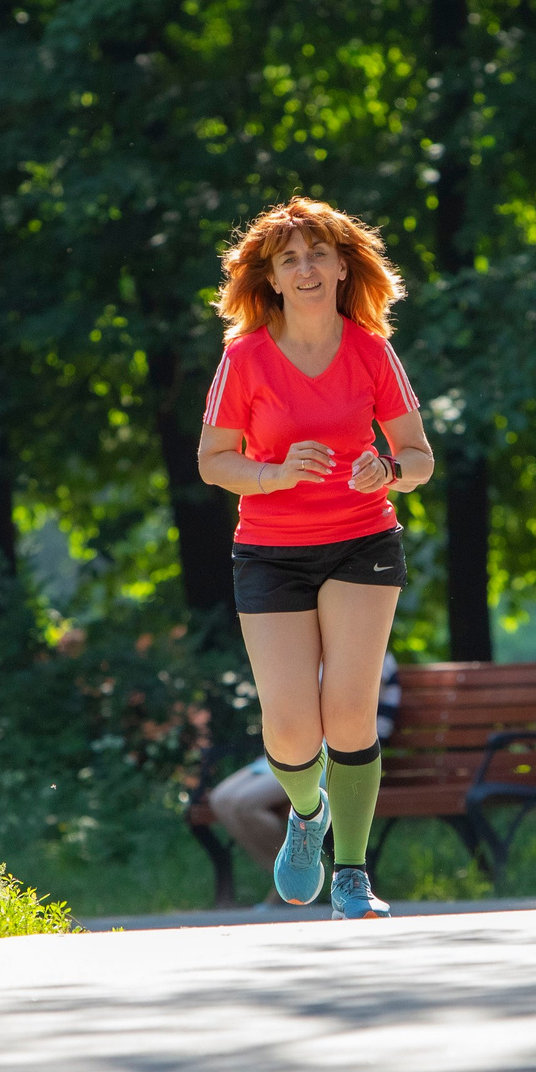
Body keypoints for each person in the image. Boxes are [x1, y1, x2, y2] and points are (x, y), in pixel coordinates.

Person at [197, 198, 435, 920]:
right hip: (270, 550)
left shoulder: (371, 351)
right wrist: (270, 474)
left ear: (341, 266)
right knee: (292, 729)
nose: (305, 268)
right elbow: (213, 462)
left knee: (350, 713)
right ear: (269, 277)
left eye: (317, 254)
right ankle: (307, 813)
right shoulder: (244, 359)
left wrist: (388, 470)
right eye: (288, 258)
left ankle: (353, 874)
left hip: (362, 539)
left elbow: (420, 457)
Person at [207, 652, 402, 902]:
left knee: (246, 805)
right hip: (297, 749)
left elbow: (347, 706)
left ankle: (288, 888)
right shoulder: (305, 650)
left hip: (337, 757)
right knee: (221, 799)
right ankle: (287, 877)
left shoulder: (370, 649)